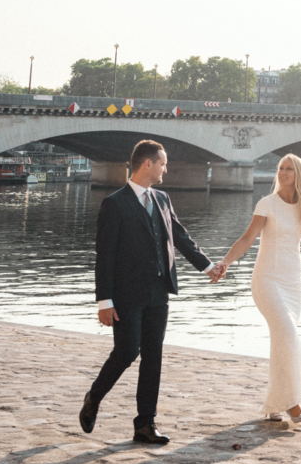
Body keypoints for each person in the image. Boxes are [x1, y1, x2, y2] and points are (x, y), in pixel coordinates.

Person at [80, 138, 219, 445]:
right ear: (148, 164)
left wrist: (208, 267)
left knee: (153, 356)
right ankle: (94, 396)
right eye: (162, 163)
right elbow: (104, 257)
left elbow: (180, 238)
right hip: (126, 295)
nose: (165, 169)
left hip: (160, 291)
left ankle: (145, 423)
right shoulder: (114, 203)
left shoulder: (163, 199)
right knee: (127, 351)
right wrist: (105, 300)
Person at [212, 154, 301, 422]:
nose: (282, 173)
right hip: (266, 279)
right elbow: (248, 238)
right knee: (287, 333)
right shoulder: (266, 203)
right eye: (280, 168)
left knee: (281, 339)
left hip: (292, 281)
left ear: (299, 175)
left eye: (289, 169)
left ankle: (274, 404)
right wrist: (225, 262)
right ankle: (293, 403)